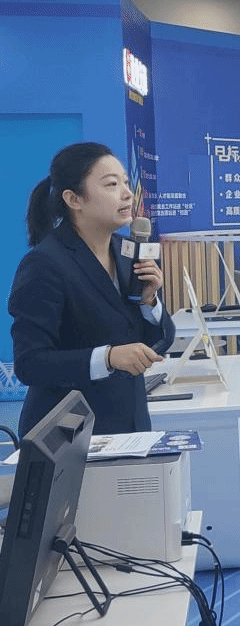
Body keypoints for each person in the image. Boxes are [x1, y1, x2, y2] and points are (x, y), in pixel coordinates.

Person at [10, 142, 175, 436]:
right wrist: (108, 358)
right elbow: (30, 363)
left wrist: (149, 302)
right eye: (111, 184)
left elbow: (160, 340)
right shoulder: (44, 264)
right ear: (74, 199)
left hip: (129, 427)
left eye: (126, 182)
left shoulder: (128, 253)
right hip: (69, 436)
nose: (127, 193)